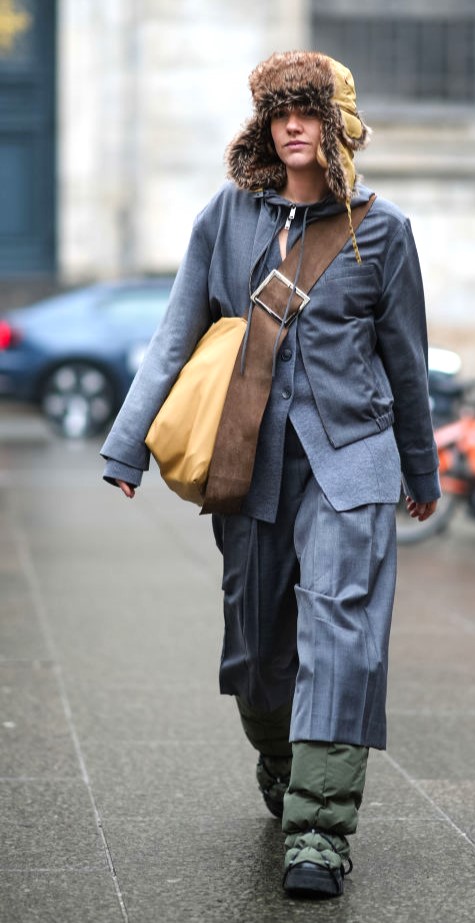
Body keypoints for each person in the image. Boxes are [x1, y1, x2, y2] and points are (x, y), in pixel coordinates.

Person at [100, 50, 439, 899]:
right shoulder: (227, 216)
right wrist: (126, 443)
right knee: (258, 649)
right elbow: (177, 332)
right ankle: (284, 759)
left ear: (338, 124)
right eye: (282, 110)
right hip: (249, 464)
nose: (295, 124)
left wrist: (419, 468)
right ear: (264, 122)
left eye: (311, 110)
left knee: (339, 631)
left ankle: (319, 831)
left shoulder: (381, 230)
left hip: (351, 464)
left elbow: (406, 363)